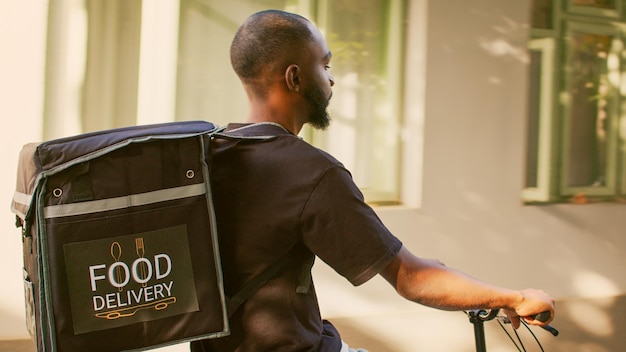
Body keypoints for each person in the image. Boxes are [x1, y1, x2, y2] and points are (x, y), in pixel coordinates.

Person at [190, 9, 555, 352]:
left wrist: (440, 272)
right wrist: (516, 297)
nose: (331, 79)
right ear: (295, 77)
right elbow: (413, 280)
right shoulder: (311, 173)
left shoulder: (206, 156)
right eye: (325, 65)